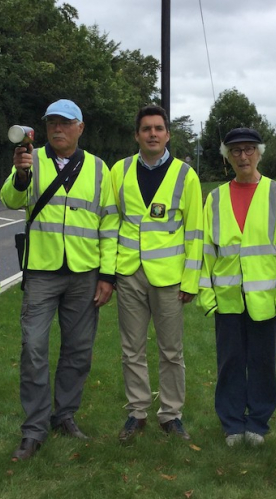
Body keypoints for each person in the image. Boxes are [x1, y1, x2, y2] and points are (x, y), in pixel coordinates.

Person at [0, 99, 118, 461]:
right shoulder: (30, 159)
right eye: (52, 123)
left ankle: (64, 415)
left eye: (65, 123)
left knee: (78, 350)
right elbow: (9, 199)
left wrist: (108, 275)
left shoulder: (99, 169)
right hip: (42, 272)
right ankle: (33, 429)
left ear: (80, 127)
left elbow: (110, 223)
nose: (58, 129)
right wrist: (21, 176)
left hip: (84, 273)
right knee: (33, 348)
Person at [198, 128, 276, 447]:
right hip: (228, 296)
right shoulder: (215, 198)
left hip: (266, 298)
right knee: (229, 362)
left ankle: (257, 421)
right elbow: (205, 250)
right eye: (235, 151)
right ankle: (232, 423)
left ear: (259, 152)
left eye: (248, 149)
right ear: (227, 157)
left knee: (262, 361)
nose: (243, 156)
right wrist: (207, 295)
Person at [109, 105, 203, 443]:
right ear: (137, 135)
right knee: (131, 348)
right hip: (129, 272)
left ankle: (171, 414)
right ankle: (136, 412)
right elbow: (111, 222)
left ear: (168, 134)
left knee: (171, 351)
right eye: (146, 128)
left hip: (170, 278)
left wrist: (191, 280)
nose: (152, 134)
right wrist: (110, 272)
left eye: (158, 128)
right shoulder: (118, 171)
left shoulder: (185, 175)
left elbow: (195, 231)